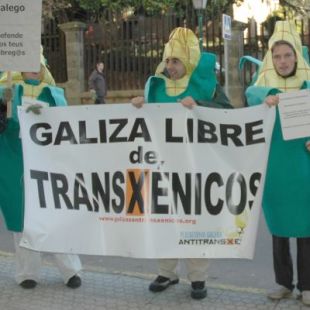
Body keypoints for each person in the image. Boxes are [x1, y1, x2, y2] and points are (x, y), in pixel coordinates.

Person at [132, 27, 232, 300]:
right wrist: (138, 105)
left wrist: (199, 104)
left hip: (196, 167)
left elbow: (228, 115)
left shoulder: (207, 86)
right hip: (162, 167)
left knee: (194, 221)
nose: (170, 66)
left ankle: (198, 277)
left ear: (188, 60)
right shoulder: (155, 86)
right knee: (164, 219)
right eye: (168, 60)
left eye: (176, 61)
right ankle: (167, 272)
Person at [0, 60, 82, 290]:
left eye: (38, 65)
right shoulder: (7, 91)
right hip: (16, 164)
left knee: (54, 217)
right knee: (22, 220)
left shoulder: (54, 94)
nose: (34, 69)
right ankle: (27, 272)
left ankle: (70, 270)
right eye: (29, 65)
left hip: (47, 164)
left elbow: (64, 126)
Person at [244, 21, 310, 306]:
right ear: (271, 59)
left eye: (288, 55)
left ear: (297, 55)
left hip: (304, 167)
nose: (283, 61)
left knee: (307, 228)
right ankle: (283, 283)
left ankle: (307, 286)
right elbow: (246, 118)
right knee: (279, 228)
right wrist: (264, 101)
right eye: (277, 56)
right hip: (274, 169)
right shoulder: (259, 92)